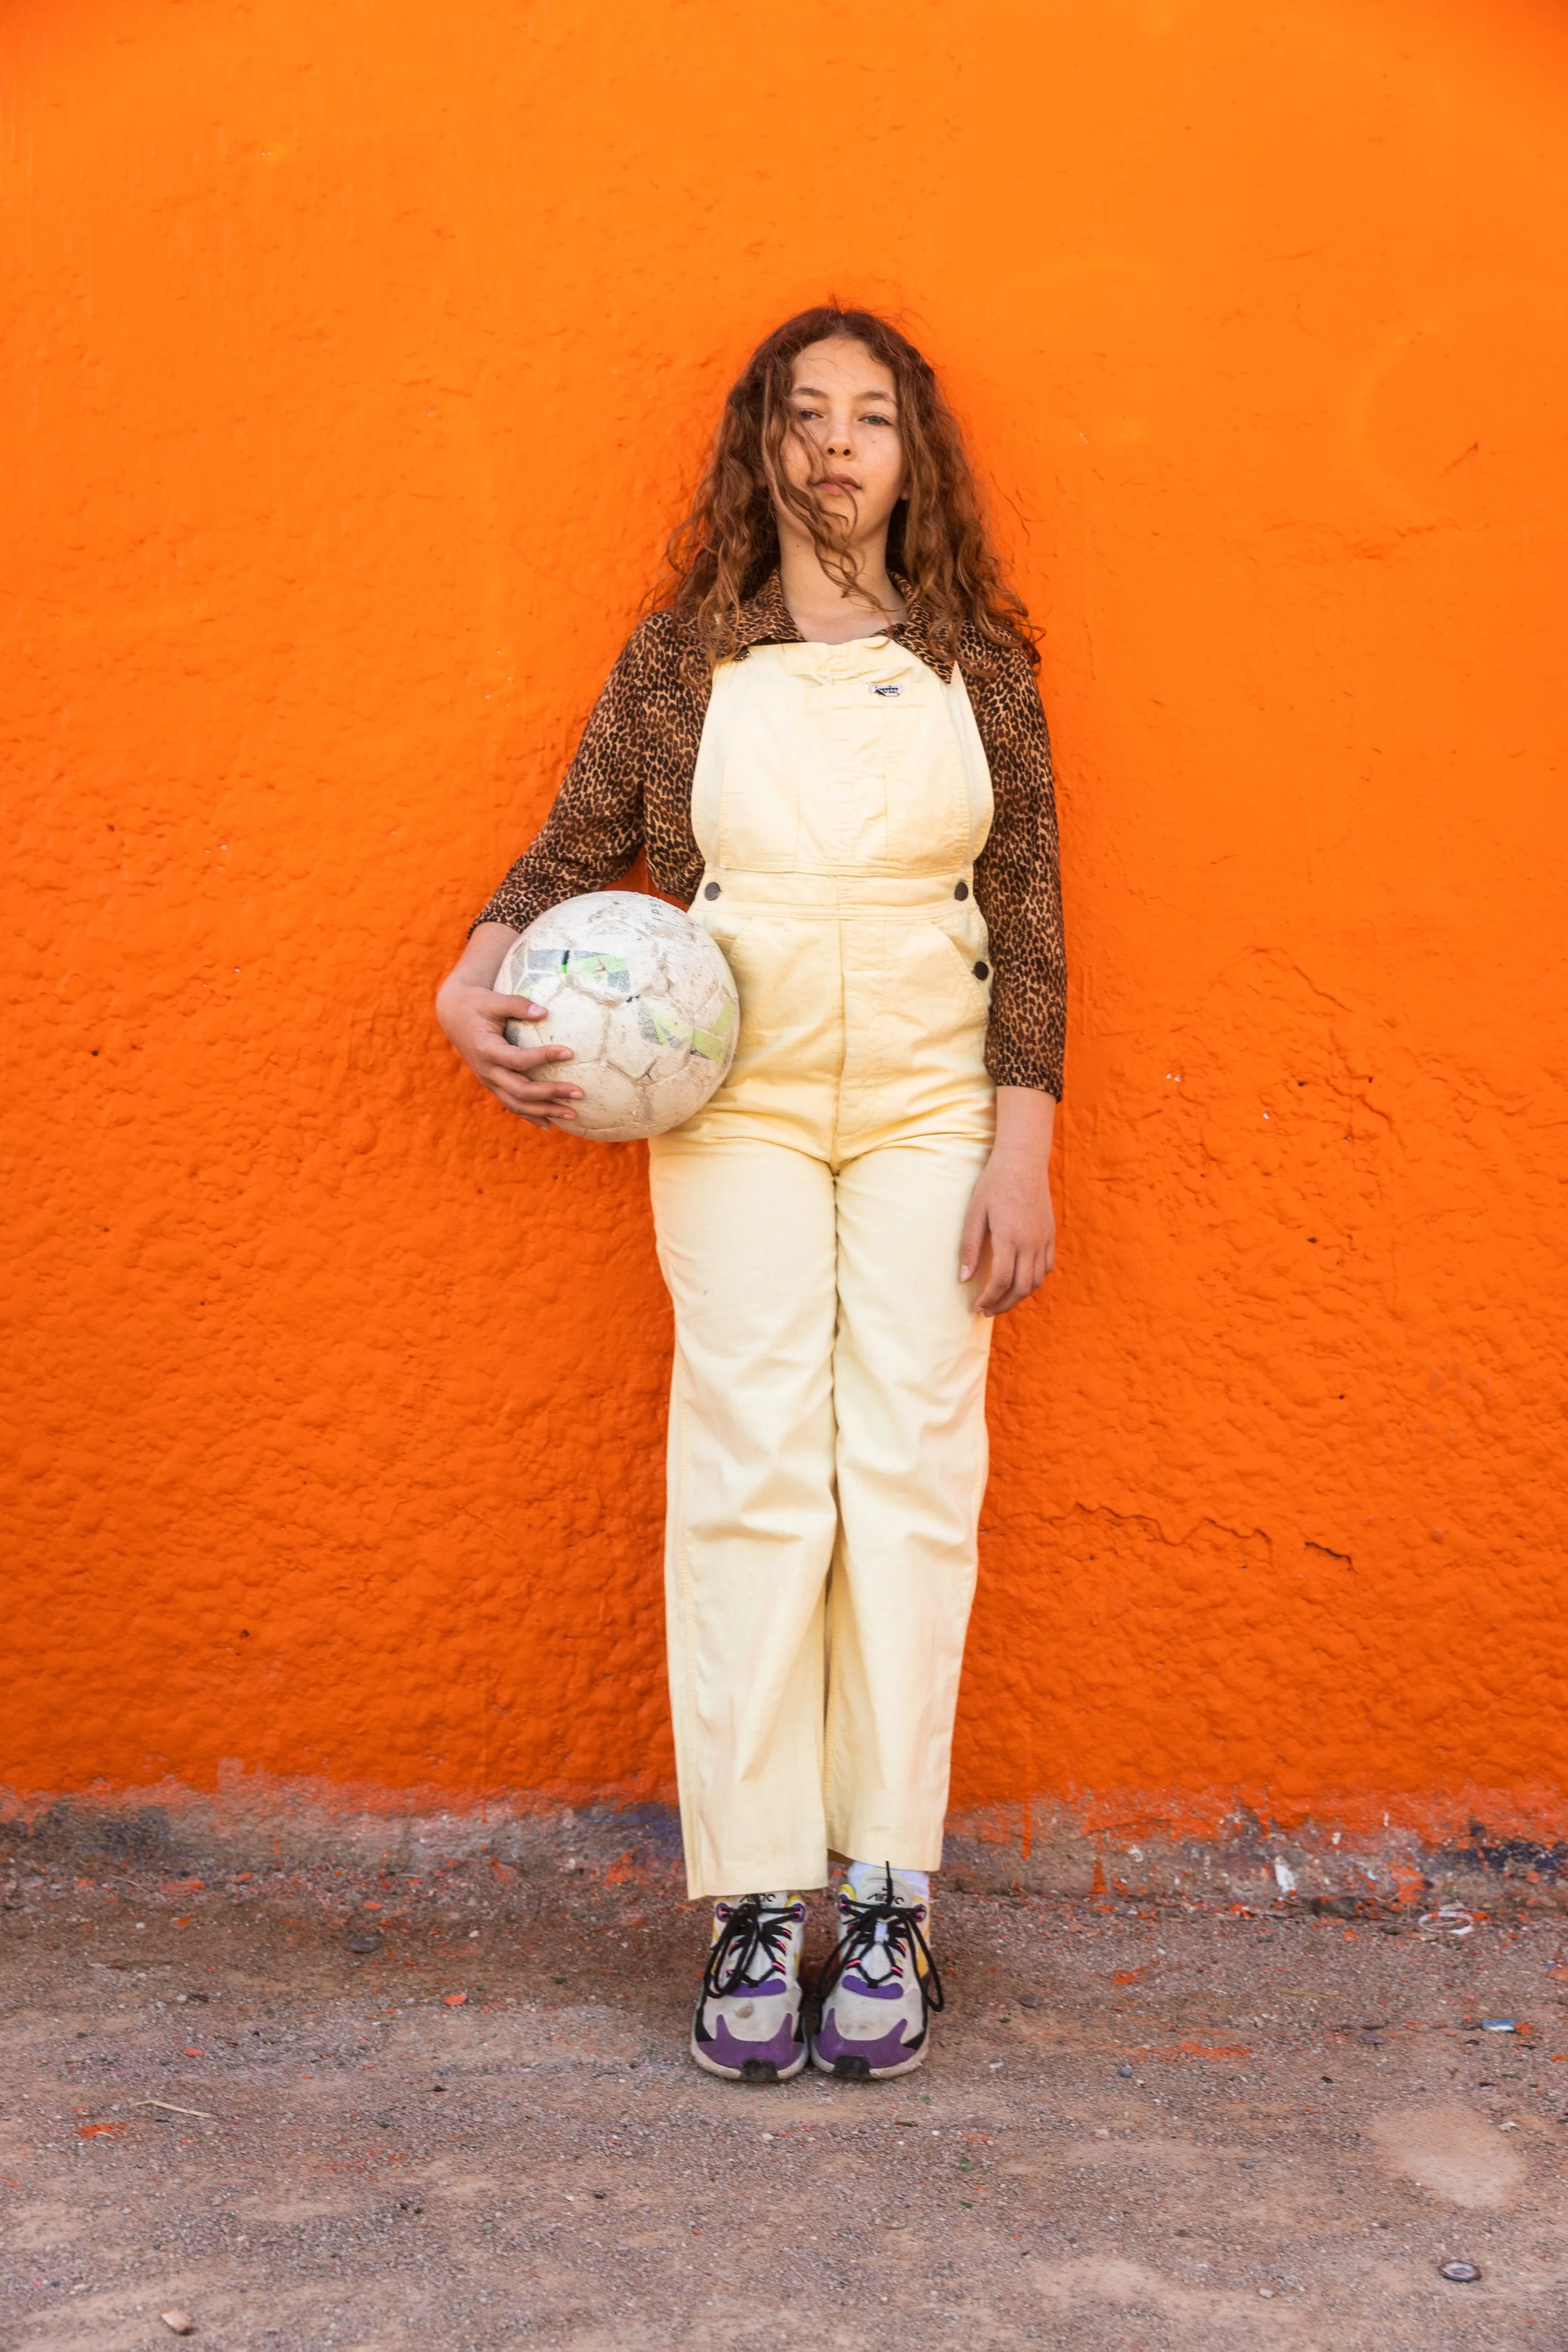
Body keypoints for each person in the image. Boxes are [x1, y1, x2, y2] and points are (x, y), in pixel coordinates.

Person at [437, 306, 1066, 2084]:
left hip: (939, 1099)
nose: (841, 446)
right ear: (761, 448)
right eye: (808, 415)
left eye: (873, 418)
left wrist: (1023, 1139)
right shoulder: (679, 661)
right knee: (752, 1464)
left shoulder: (979, 664)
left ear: (910, 457)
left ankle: (886, 1893)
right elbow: (569, 849)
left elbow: (1025, 907)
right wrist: (464, 975)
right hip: (739, 1106)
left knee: (914, 1468)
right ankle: (754, 1900)